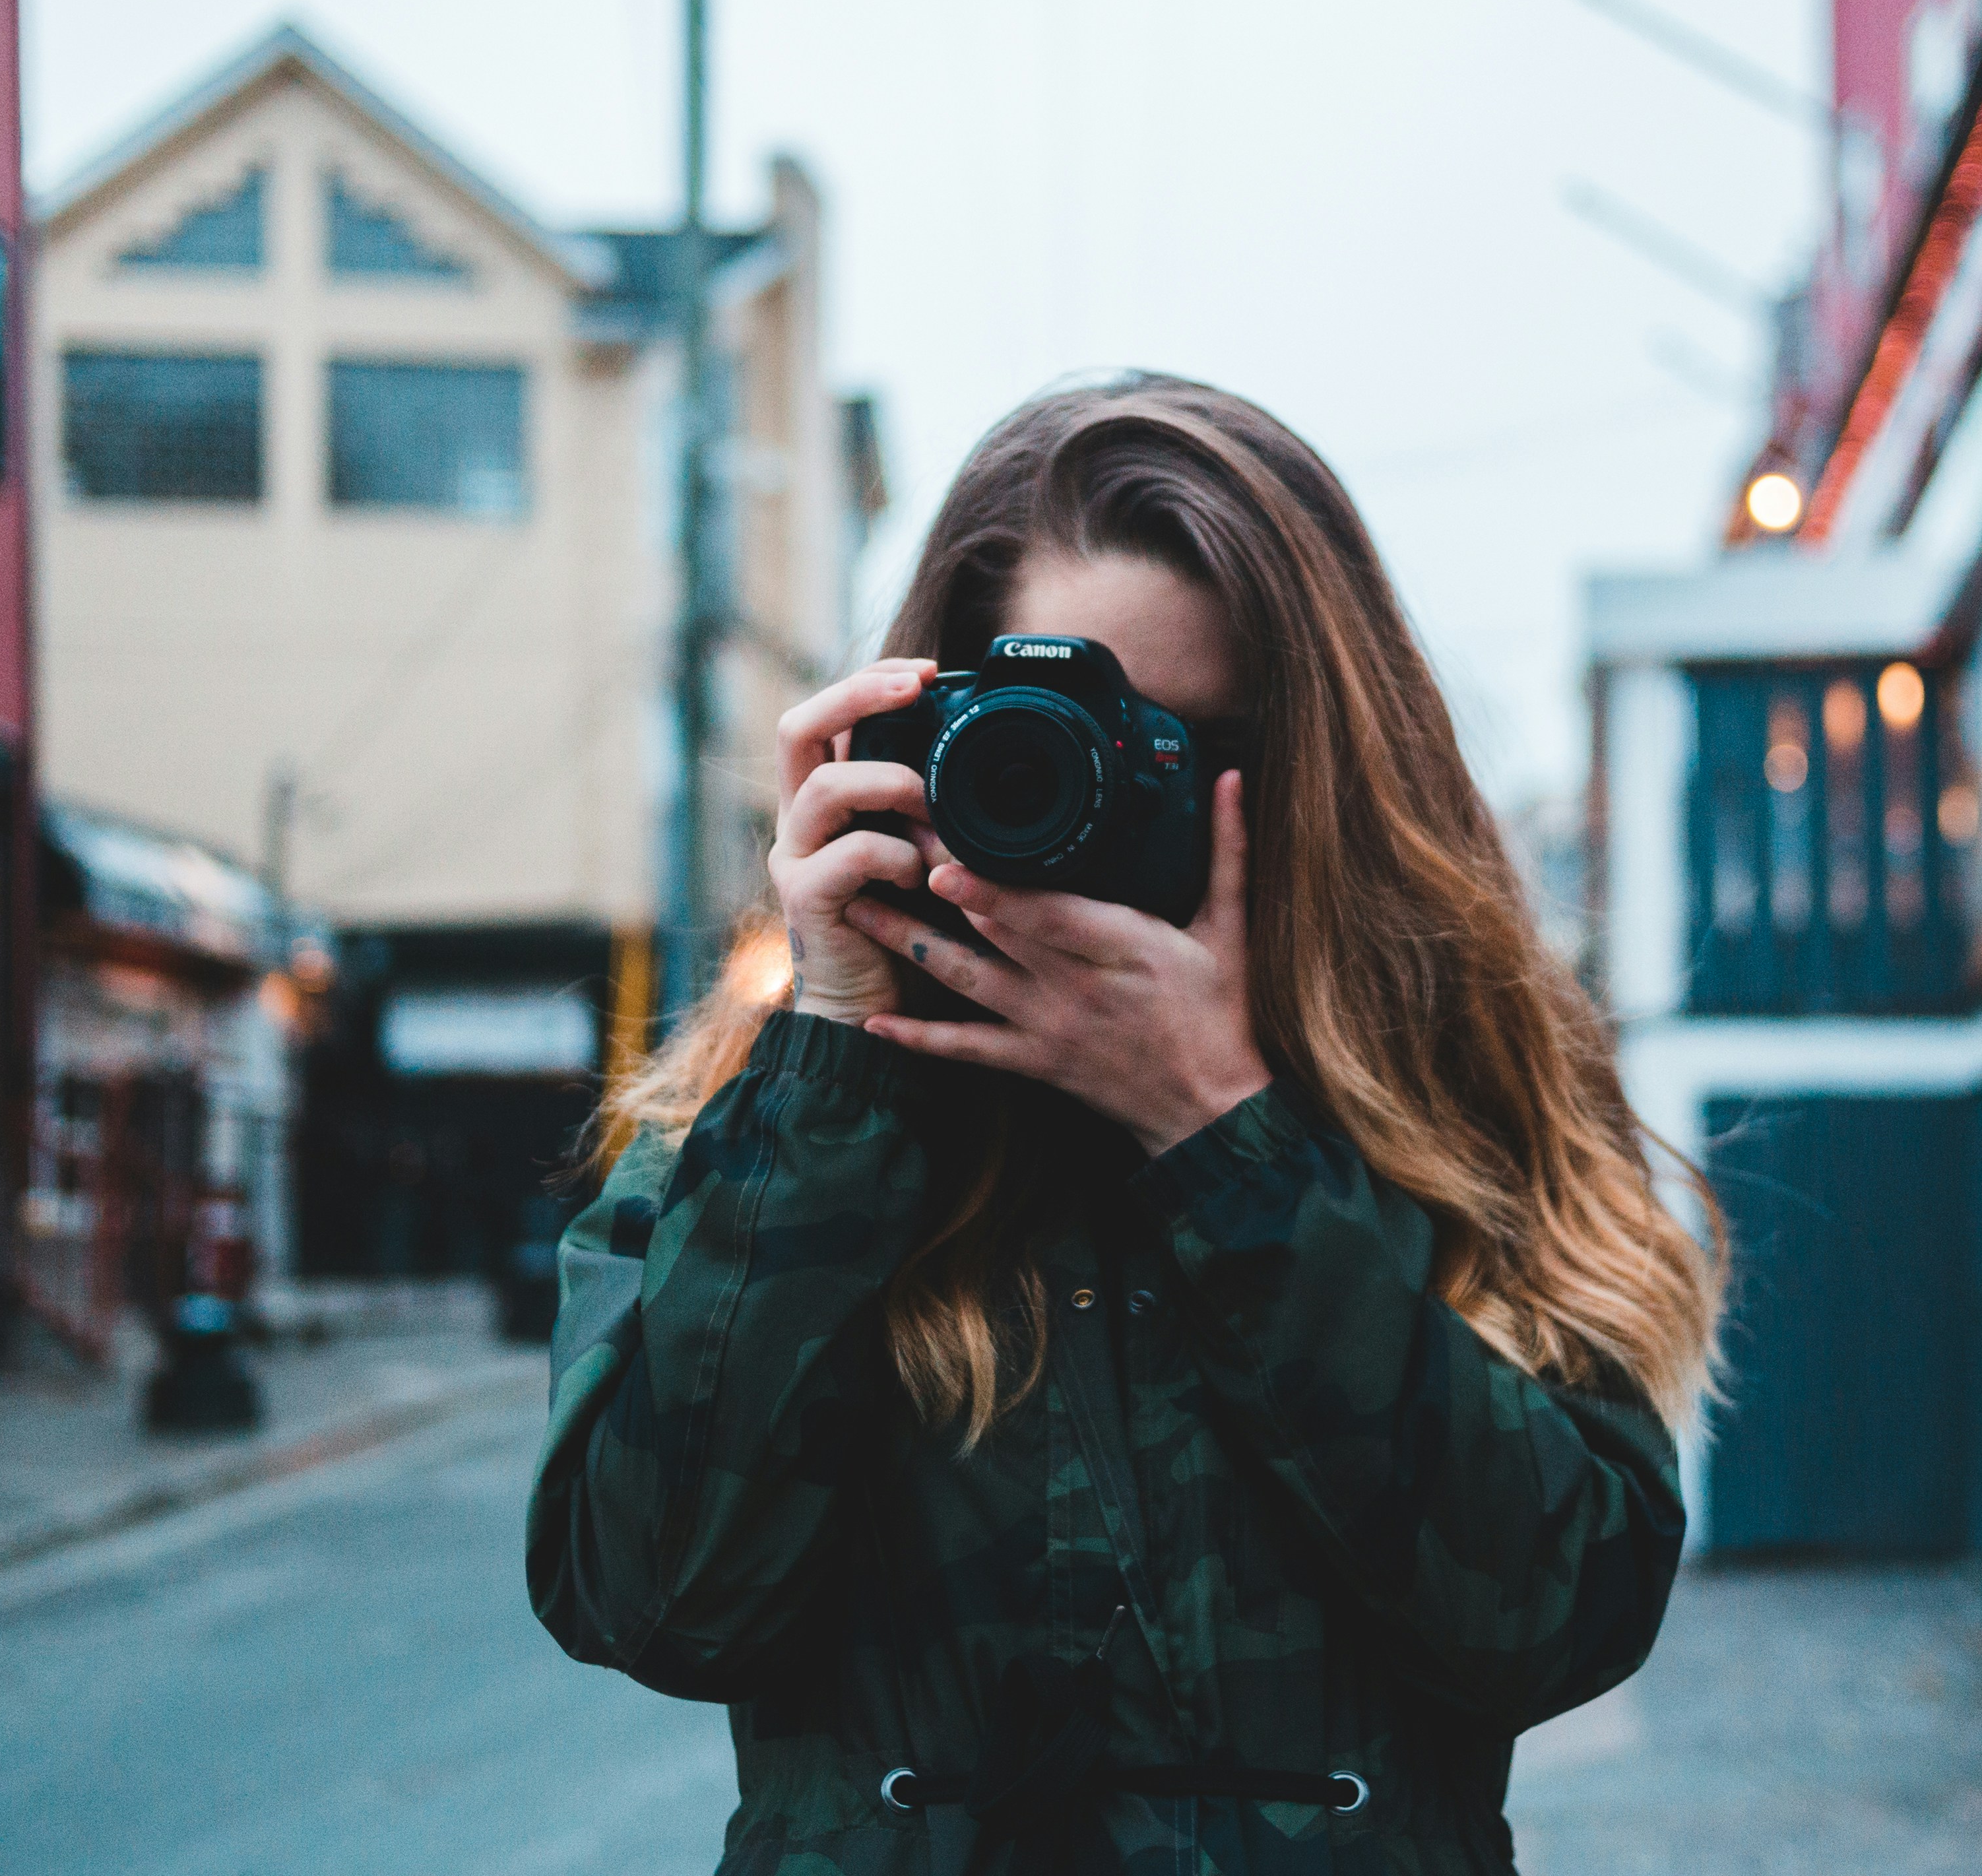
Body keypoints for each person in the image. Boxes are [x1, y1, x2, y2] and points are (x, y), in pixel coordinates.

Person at [528, 375, 1723, 1874]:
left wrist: (1230, 1144)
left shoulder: (1462, 1098)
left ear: (1325, 765)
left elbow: (1561, 1625)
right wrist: (836, 1054)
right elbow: (654, 1604)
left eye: (1183, 743)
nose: (1087, 802)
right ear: (919, 729)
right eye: (1035, 740)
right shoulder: (767, 1120)